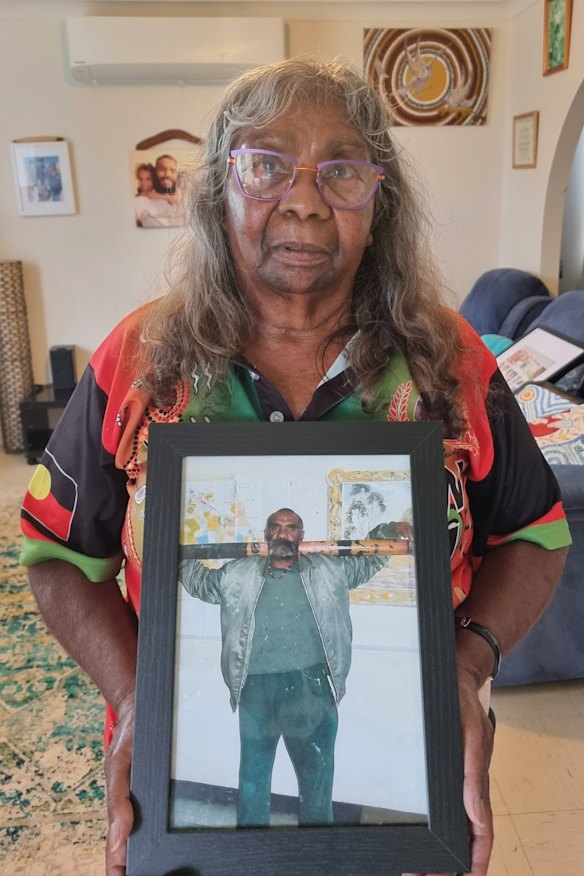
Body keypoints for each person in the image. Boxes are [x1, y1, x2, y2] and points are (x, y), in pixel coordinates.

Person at [19, 56, 570, 876]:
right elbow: (59, 558)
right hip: (180, 781)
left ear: (378, 207)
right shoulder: (135, 362)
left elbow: (535, 533)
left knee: (324, 790)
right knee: (246, 787)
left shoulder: (451, 365)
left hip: (402, 778)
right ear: (218, 194)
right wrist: (140, 699)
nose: (306, 200)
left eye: (342, 171)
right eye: (265, 165)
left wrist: (465, 664)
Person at [179, 506, 386, 826]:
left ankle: (318, 856)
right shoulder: (239, 572)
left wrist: (388, 530)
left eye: (291, 527)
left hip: (311, 687)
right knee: (252, 780)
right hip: (255, 689)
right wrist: (175, 552)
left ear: (301, 536)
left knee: (317, 781)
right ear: (266, 534)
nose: (283, 533)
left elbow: (370, 558)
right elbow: (201, 582)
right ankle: (254, 854)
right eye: (276, 527)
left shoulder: (329, 570)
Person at [134, 153, 183, 227]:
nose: (167, 174)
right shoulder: (143, 200)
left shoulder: (185, 194)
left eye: (173, 170)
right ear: (155, 173)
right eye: (162, 170)